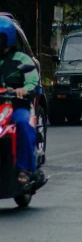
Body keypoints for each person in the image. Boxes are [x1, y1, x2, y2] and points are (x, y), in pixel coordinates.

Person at [0, 16, 39, 186]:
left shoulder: (22, 59)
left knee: (24, 124)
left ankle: (25, 169)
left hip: (16, 107)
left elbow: (32, 81)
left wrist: (24, 90)